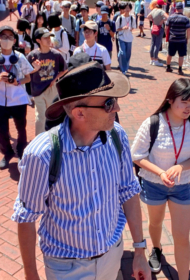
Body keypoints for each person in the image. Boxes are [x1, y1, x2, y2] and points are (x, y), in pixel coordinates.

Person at [11, 59, 151, 280]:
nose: (117, 108)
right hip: (67, 268)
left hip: (112, 256)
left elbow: (129, 192)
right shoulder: (42, 154)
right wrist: (31, 275)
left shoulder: (117, 136)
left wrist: (140, 249)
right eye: (108, 104)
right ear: (79, 114)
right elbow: (26, 218)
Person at [131, 78, 190, 277]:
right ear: (170, 100)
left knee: (182, 237)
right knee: (155, 223)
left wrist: (181, 167)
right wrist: (161, 172)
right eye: (184, 101)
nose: (189, 107)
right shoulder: (153, 122)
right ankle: (156, 249)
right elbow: (137, 155)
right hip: (154, 183)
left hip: (182, 186)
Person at [0, 26, 34, 169]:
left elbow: (28, 77)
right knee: (2, 131)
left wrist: (18, 81)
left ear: (15, 40)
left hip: (19, 100)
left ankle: (22, 151)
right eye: (3, 36)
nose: (7, 39)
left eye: (10, 37)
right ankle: (7, 153)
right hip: (0, 101)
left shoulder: (20, 58)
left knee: (21, 128)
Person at [27, 28, 67, 135]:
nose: (49, 40)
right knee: (40, 116)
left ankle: (53, 137)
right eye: (45, 38)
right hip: (38, 90)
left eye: (49, 37)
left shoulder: (56, 54)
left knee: (52, 114)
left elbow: (64, 69)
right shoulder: (32, 56)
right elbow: (24, 72)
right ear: (38, 40)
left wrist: (55, 79)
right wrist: (34, 69)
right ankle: (39, 139)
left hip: (51, 88)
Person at [165, 2, 190, 75]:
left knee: (170, 53)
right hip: (182, 39)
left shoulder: (170, 17)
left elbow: (166, 28)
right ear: (182, 9)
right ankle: (179, 69)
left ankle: (168, 67)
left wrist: (167, 36)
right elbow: (188, 30)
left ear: (176, 8)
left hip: (172, 39)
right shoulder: (185, 18)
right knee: (181, 55)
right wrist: (187, 39)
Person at [115, 2, 136, 75]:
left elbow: (134, 27)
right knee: (122, 53)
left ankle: (125, 66)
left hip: (129, 38)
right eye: (126, 8)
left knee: (128, 54)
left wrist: (130, 28)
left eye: (128, 8)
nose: (127, 9)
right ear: (123, 9)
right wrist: (123, 28)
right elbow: (117, 28)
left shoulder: (132, 18)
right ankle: (123, 69)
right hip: (121, 37)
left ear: (130, 9)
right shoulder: (120, 18)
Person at [147, 0, 168, 66]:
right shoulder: (161, 11)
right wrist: (162, 20)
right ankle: (156, 60)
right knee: (157, 44)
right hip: (159, 28)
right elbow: (168, 17)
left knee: (152, 43)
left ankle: (151, 59)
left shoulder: (153, 10)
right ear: (162, 5)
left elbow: (148, 17)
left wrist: (153, 20)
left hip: (153, 28)